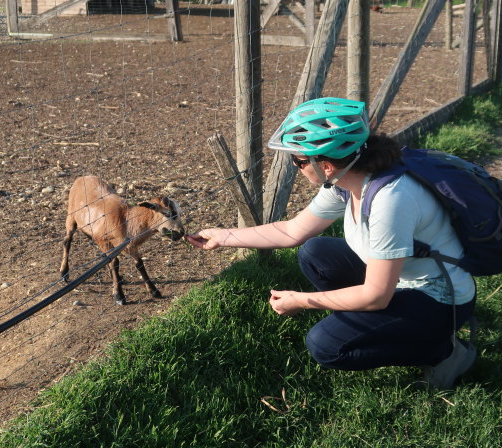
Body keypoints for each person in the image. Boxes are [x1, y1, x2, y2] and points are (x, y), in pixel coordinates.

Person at [186, 97, 477, 389]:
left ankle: (444, 352)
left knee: (326, 346)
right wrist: (222, 236)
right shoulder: (347, 180)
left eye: (298, 161)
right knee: (315, 252)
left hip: (441, 298)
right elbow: (292, 231)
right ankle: (376, 327)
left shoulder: (390, 201)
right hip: (402, 279)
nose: (296, 167)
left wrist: (301, 300)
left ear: (325, 165)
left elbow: (377, 296)